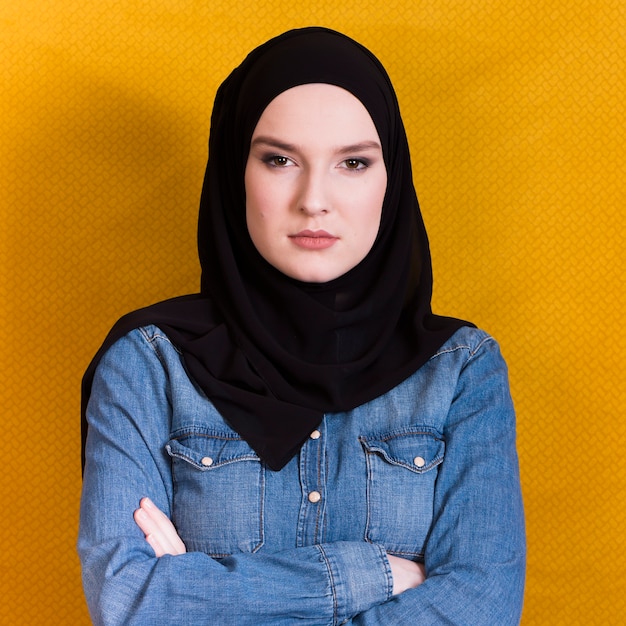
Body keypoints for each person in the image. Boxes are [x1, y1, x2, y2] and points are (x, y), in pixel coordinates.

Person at [78, 27, 526, 625]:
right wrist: (379, 575)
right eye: (279, 159)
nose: (314, 199)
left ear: (390, 181)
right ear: (236, 170)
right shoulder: (149, 363)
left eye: (353, 162)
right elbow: (128, 601)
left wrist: (199, 597)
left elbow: (485, 608)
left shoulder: (461, 371)